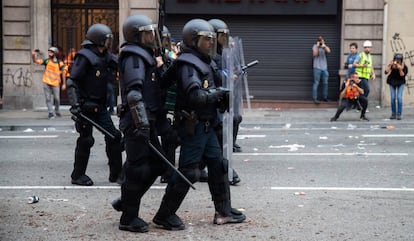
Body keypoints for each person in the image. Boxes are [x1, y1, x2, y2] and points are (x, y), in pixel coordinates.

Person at [152, 18, 246, 231]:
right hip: (193, 126)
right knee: (188, 172)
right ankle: (164, 215)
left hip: (206, 124)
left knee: (218, 165)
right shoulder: (188, 63)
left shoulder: (205, 60)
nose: (210, 44)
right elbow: (194, 95)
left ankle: (224, 211)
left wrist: (221, 96)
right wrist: (218, 94)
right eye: (205, 40)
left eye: (211, 40)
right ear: (193, 41)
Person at [115, 14, 167, 233]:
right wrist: (142, 125)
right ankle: (128, 218)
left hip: (146, 121)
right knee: (137, 170)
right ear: (135, 36)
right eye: (146, 34)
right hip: (137, 122)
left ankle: (126, 200)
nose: (150, 37)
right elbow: (134, 95)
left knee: (158, 165)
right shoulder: (134, 57)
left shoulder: (145, 55)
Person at [66, 23, 123, 186]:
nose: (109, 43)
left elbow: (119, 63)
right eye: (106, 40)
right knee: (86, 140)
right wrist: (75, 105)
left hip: (100, 106)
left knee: (114, 136)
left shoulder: (105, 55)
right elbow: (72, 81)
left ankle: (116, 174)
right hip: (85, 107)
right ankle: (77, 175)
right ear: (98, 40)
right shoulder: (84, 56)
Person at [32, 47, 66, 119]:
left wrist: (64, 84)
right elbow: (35, 61)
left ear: (55, 53)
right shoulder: (47, 61)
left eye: (51, 52)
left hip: (56, 83)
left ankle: (57, 111)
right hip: (46, 82)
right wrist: (33, 55)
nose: (49, 53)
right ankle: (50, 112)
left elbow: (63, 73)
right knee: (48, 98)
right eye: (49, 52)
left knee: (57, 98)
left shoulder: (60, 63)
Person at [384, 53, 408, 120]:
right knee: (393, 98)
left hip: (400, 82)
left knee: (399, 98)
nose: (397, 61)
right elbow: (385, 72)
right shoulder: (392, 65)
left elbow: (402, 75)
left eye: (399, 60)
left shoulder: (404, 67)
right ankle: (393, 113)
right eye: (396, 60)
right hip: (392, 81)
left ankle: (399, 113)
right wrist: (390, 65)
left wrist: (400, 69)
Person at [312, 36, 331, 104]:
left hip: (324, 68)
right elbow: (315, 54)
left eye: (322, 41)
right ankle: (315, 98)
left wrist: (324, 46)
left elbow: (329, 51)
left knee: (325, 83)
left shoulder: (324, 46)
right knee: (316, 83)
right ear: (317, 41)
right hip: (317, 67)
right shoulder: (315, 46)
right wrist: (317, 47)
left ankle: (325, 97)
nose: (320, 42)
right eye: (320, 41)